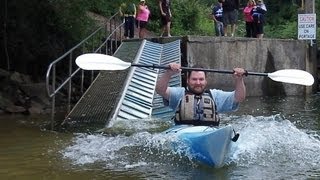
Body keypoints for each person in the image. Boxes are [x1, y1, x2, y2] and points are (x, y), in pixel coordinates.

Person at [155, 63, 246, 126]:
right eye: (194, 79)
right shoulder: (179, 94)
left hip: (208, 132)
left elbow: (239, 97)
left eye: (201, 79)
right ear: (187, 80)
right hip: (183, 131)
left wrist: (239, 79)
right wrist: (168, 73)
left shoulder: (215, 96)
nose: (198, 82)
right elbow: (160, 90)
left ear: (206, 80)